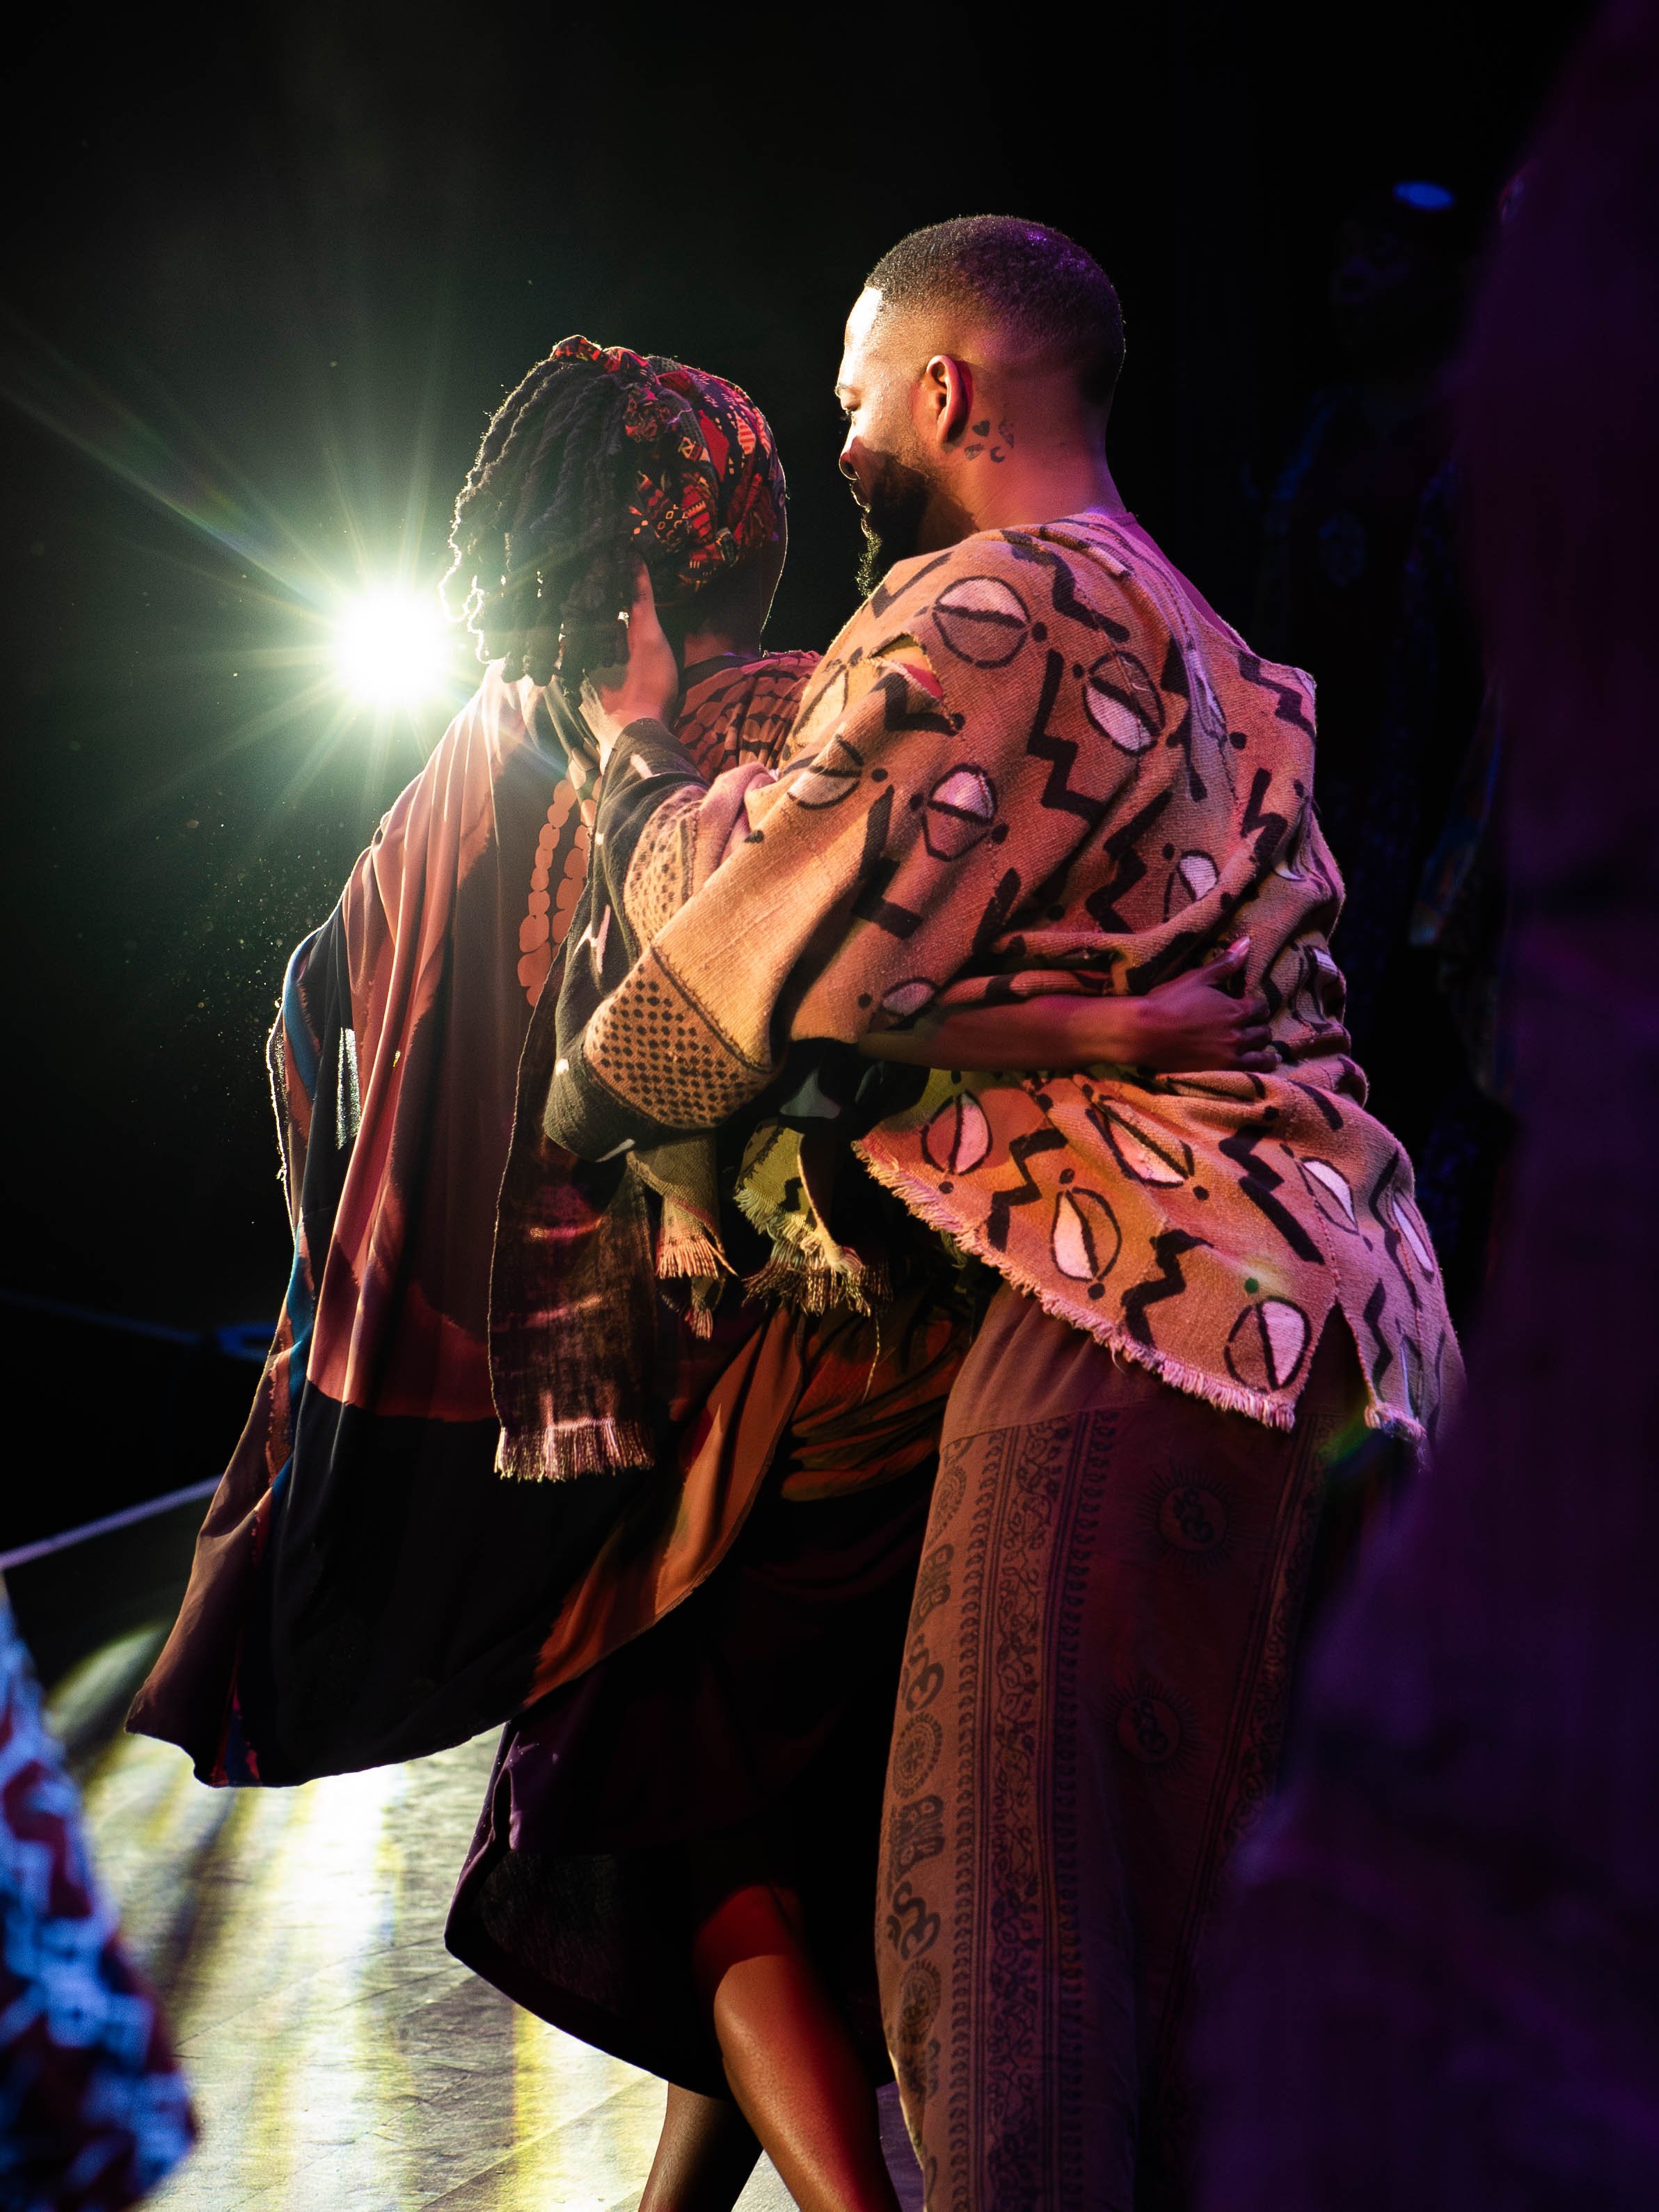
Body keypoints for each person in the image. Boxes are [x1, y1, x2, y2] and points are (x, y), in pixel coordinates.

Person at [126, 333, 1267, 2212]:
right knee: (738, 1833)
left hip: (745, 1394)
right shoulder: (797, 718)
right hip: (879, 1349)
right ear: (709, 537)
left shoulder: (485, 778)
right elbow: (826, 1022)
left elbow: (347, 1035)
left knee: (701, 1836)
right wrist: (1112, 1020)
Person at [553, 216, 1461, 2211]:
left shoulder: (985, 607)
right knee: (1248, 2015)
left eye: (858, 392)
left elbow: (709, 992)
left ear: (949, 388)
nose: (842, 433)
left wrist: (630, 769)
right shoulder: (1202, 633)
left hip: (1144, 1329)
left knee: (1009, 1979)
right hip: (1357, 1331)